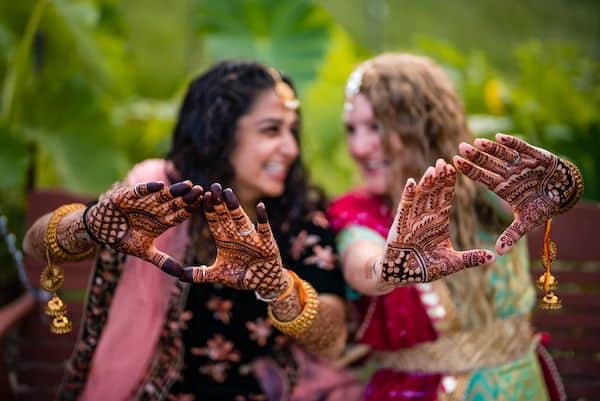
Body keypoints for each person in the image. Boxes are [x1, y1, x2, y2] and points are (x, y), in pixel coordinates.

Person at [23, 60, 361, 401]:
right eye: (271, 130)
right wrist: (90, 225)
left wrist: (280, 288)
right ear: (221, 132)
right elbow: (35, 243)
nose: (290, 148)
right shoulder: (162, 196)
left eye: (292, 131)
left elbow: (333, 340)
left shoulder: (298, 221)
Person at [327, 53, 582, 401]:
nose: (358, 147)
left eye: (377, 127)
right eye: (352, 128)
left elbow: (530, 202)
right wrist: (386, 269)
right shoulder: (357, 211)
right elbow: (363, 262)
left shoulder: (482, 187)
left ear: (425, 126)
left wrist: (561, 190)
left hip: (525, 385)